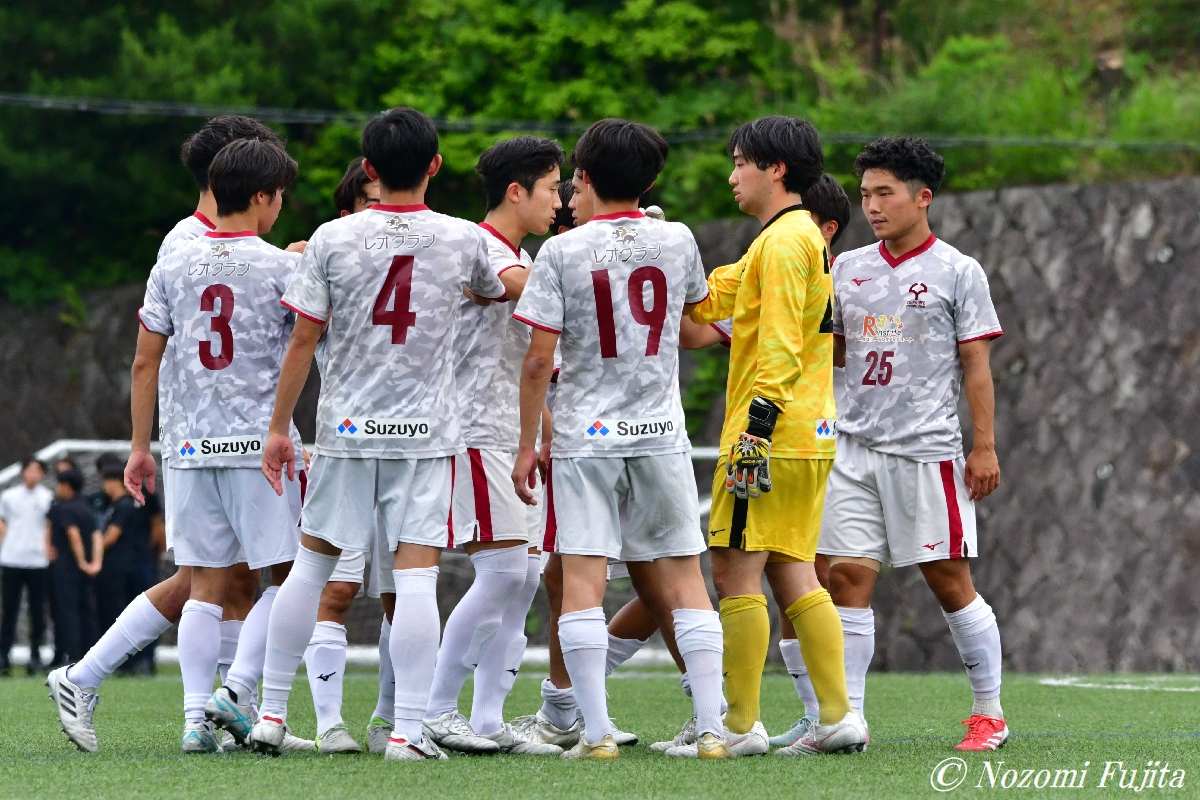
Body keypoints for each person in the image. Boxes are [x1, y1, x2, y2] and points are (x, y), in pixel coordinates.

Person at [247, 106, 507, 760]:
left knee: (311, 565)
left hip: (347, 428)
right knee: (416, 579)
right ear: (435, 165)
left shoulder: (332, 238)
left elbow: (303, 338)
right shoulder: (462, 238)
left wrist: (279, 427)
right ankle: (407, 732)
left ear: (368, 167)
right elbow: (490, 291)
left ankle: (271, 714)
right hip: (426, 434)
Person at [45, 116, 308, 755]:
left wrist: (144, 445)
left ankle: (202, 719)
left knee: (209, 583)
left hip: (190, 445)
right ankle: (233, 694)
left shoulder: (178, 256)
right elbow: (302, 339)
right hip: (255, 445)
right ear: (257, 189)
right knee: (290, 574)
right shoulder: (270, 263)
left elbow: (145, 359)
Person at [511, 118, 729, 760]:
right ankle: (712, 728)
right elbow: (690, 322)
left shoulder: (561, 251)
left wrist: (527, 443)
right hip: (660, 431)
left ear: (581, 177)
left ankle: (597, 733)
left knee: (583, 576)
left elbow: (538, 359)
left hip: (587, 435)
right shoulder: (678, 238)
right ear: (651, 181)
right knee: (685, 576)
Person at [688, 115, 867, 756]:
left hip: (771, 434)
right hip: (806, 433)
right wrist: (665, 253)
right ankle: (838, 716)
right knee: (794, 573)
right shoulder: (785, 238)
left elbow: (784, 344)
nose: (732, 175)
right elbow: (708, 302)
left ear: (776, 169)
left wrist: (756, 430)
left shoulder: (787, 241)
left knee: (735, 570)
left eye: (740, 162)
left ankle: (738, 728)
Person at [821, 136, 1006, 751]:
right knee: (846, 578)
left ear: (922, 197)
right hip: (852, 448)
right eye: (865, 194)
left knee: (948, 580)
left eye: (885, 193)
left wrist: (984, 446)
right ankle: (847, 719)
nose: (872, 206)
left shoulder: (958, 271)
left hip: (925, 449)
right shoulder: (846, 268)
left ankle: (989, 713)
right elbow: (835, 351)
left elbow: (976, 366)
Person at [417, 135, 565, 757]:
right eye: (552, 189)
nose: (559, 202)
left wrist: (544, 428)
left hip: (515, 436)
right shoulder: (481, 246)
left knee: (523, 577)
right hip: (477, 433)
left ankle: (486, 721)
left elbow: (527, 356)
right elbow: (524, 288)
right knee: (502, 570)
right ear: (515, 191)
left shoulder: (522, 256)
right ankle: (434, 712)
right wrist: (593, 256)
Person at [0, 458, 54, 675]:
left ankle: (35, 656)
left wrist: (48, 549)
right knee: (9, 610)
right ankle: (3, 656)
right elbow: (3, 523)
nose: (32, 474)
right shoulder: (9, 496)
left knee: (37, 611)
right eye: (29, 470)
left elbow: (49, 526)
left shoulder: (48, 498)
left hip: (38, 561)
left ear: (42, 474)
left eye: (37, 470)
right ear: (23, 472)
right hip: (12, 559)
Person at [46, 469, 102, 669]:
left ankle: (74, 657)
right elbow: (97, 536)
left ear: (66, 486)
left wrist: (81, 562)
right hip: (86, 573)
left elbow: (73, 535)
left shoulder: (64, 509)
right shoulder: (87, 508)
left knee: (67, 613)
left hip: (66, 569)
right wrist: (95, 563)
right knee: (87, 611)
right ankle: (92, 656)